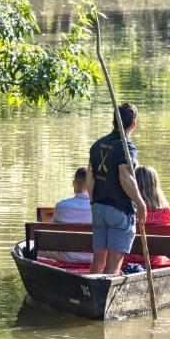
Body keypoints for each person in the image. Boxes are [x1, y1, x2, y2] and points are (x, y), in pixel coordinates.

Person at [85, 103, 148, 275]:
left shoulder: (97, 145)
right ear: (133, 124)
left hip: (98, 207)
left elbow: (89, 176)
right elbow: (124, 176)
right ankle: (105, 299)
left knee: (98, 260)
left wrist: (92, 202)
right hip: (120, 210)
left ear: (113, 121)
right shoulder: (126, 147)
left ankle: (92, 296)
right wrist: (141, 204)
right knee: (113, 263)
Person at [49, 167, 92, 264]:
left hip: (66, 257)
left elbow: (50, 231)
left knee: (36, 247)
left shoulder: (62, 206)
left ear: (74, 183)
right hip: (94, 257)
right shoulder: (98, 207)